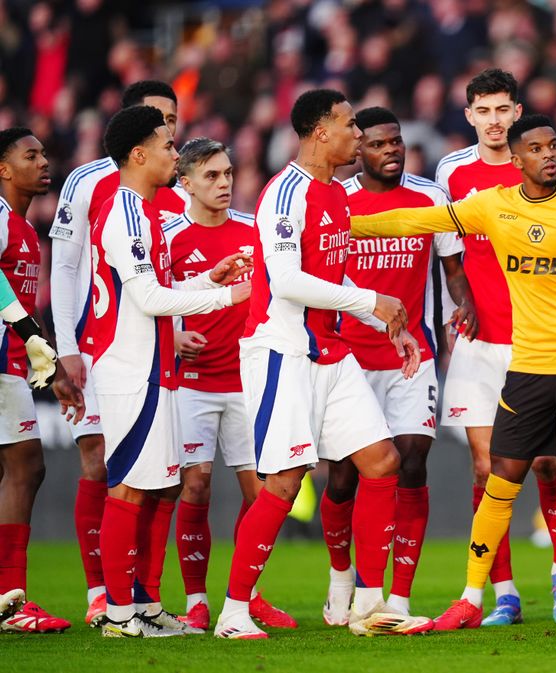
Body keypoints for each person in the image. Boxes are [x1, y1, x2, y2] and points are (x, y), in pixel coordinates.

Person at [350, 113, 556, 631]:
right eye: (536, 149)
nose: (549, 155)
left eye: (554, 146)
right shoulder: (493, 206)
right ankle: (472, 597)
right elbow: (415, 221)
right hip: (527, 367)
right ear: (517, 161)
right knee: (499, 480)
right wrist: (342, 224)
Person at [212, 89, 432, 640]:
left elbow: (333, 275)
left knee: (381, 462)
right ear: (319, 132)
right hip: (283, 353)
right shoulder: (286, 193)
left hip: (332, 351)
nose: (358, 135)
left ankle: (370, 603)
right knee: (284, 485)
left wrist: (388, 320)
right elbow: (285, 282)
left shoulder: (335, 194)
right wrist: (369, 302)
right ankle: (234, 611)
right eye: (350, 125)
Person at [92, 105, 251, 638]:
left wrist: (209, 278)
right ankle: (118, 615)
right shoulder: (127, 214)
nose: (172, 153)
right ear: (139, 154)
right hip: (129, 372)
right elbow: (151, 298)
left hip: (156, 372)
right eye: (166, 146)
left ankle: (142, 603)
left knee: (155, 490)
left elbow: (160, 293)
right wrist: (232, 293)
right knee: (127, 492)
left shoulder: (145, 213)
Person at [434, 68, 556, 626]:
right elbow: (452, 257)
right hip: (480, 344)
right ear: (470, 115)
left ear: (517, 112)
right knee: (485, 469)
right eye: (484, 111)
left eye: (503, 110)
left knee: (545, 462)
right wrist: (462, 300)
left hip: (538, 342)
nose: (494, 121)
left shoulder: (551, 165)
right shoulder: (451, 172)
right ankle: (504, 595)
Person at [321, 107, 475, 623]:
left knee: (411, 466)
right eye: (379, 144)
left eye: (397, 142)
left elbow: (452, 265)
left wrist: (464, 303)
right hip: (348, 360)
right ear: (357, 150)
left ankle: (398, 598)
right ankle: (341, 579)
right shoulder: (337, 202)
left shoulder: (431, 197)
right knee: (344, 477)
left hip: (415, 357)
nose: (391, 150)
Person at [49, 80, 188, 626]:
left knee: (167, 477)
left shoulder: (168, 188)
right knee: (107, 467)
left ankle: (144, 597)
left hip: (161, 350)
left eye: (174, 121)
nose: (171, 132)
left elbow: (168, 274)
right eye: (160, 122)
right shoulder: (91, 182)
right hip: (105, 345)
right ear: (134, 130)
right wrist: (66, 347)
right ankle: (103, 597)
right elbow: (65, 266)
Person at [162, 138, 295, 631]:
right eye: (211, 176)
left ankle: (248, 594)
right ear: (186, 183)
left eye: (227, 174)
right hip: (191, 382)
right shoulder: (170, 235)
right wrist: (173, 336)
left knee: (260, 492)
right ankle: (197, 602)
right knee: (194, 486)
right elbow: (147, 301)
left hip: (247, 381)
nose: (223, 184)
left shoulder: (251, 231)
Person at [0, 127, 83, 633]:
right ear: (4, 169)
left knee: (22, 470)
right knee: (26, 468)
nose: (43, 161)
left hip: (11, 363)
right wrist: (32, 335)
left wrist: (46, 364)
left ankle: (9, 596)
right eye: (30, 155)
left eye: (44, 154)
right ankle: (10, 597)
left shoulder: (27, 230)